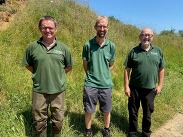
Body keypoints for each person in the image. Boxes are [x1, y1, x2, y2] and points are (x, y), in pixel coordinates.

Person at [22, 15, 73, 137]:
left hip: (58, 90)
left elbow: (69, 67)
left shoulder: (63, 48)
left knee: (58, 121)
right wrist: (40, 73)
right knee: (39, 122)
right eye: (44, 27)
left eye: (50, 28)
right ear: (40, 29)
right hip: (39, 90)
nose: (47, 30)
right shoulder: (32, 47)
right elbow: (28, 65)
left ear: (56, 29)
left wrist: (57, 75)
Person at [124, 28, 166, 137]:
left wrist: (160, 85)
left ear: (152, 37)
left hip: (150, 89)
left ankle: (146, 133)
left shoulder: (158, 51)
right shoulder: (133, 51)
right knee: (133, 112)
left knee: (147, 113)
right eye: (144, 35)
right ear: (140, 37)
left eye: (149, 35)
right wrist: (126, 87)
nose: (146, 37)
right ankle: (132, 133)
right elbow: (127, 69)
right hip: (134, 88)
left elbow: (161, 69)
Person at [82, 16, 116, 137]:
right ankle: (88, 130)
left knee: (107, 110)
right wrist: (92, 75)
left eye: (105, 26)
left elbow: (111, 65)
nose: (102, 28)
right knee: (89, 109)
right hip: (90, 83)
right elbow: (85, 64)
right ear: (95, 27)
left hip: (106, 84)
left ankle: (106, 129)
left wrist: (104, 75)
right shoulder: (88, 45)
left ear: (107, 28)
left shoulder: (111, 46)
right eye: (100, 26)